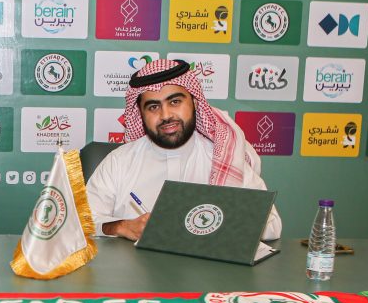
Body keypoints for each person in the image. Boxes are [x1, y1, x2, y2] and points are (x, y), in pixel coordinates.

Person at [86, 59, 281, 241]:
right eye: (153, 107)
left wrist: (221, 224)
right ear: (141, 114)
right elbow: (82, 223)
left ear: (194, 103)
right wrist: (122, 227)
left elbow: (272, 225)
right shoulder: (119, 161)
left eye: (175, 102)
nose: (166, 115)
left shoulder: (225, 158)